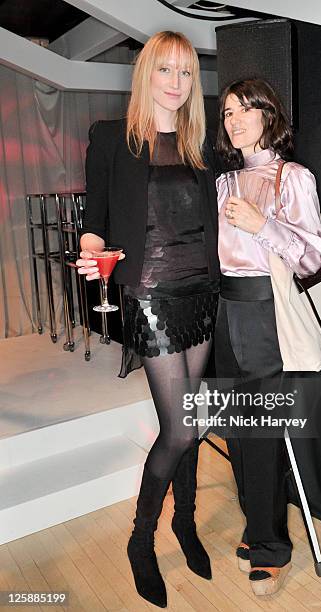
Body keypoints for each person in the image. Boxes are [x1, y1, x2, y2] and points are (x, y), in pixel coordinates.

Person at [76, 31, 220, 608]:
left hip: (201, 294)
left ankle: (185, 523)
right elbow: (94, 216)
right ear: (146, 74)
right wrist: (91, 247)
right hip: (152, 296)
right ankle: (142, 541)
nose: (177, 84)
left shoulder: (199, 147)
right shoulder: (111, 138)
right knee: (183, 427)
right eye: (166, 70)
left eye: (186, 74)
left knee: (189, 419)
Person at [214, 78, 321, 596]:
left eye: (244, 110)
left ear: (268, 115)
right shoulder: (223, 183)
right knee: (236, 430)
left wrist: (263, 226)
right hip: (225, 310)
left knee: (261, 432)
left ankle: (270, 547)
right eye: (227, 112)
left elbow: (314, 258)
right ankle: (257, 524)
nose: (233, 120)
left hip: (267, 312)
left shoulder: (293, 177)